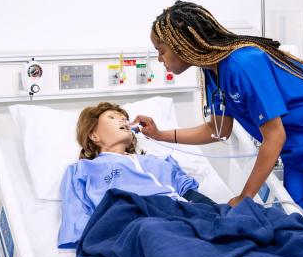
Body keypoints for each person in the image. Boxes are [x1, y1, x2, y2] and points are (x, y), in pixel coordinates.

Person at [131, 0, 303, 235]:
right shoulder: (212, 71)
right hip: (298, 148)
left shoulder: (244, 63)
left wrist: (245, 197)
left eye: (161, 51)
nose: (160, 59)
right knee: (302, 223)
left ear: (182, 44)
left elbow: (274, 136)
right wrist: (160, 134)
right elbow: (218, 130)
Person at [58, 102, 215, 248]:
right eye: (112, 118)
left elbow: (188, 192)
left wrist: (215, 213)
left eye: (125, 119)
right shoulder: (84, 169)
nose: (123, 121)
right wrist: (93, 250)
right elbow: (77, 215)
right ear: (94, 136)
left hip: (181, 215)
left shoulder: (157, 162)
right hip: (137, 224)